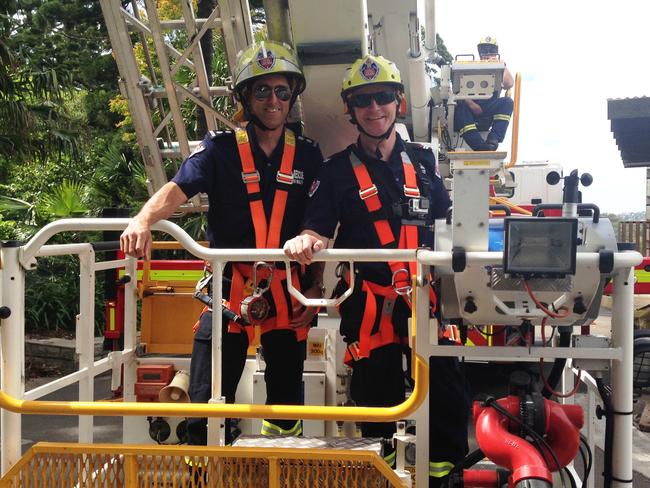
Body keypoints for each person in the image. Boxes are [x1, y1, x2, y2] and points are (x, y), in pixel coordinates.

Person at [120, 39, 324, 445]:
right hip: (228, 291)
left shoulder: (307, 155)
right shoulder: (220, 151)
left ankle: (275, 473)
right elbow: (178, 189)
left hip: (287, 292)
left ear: (292, 98)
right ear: (246, 98)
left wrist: (315, 287)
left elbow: (319, 222)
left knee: (286, 407)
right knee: (206, 404)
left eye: (282, 91)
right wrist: (143, 218)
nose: (273, 100)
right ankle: (206, 472)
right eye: (262, 91)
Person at [283, 54, 469, 487]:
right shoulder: (334, 173)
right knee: (374, 397)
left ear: (398, 103)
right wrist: (307, 240)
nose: (374, 108)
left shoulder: (424, 164)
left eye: (383, 97)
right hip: (370, 303)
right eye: (363, 100)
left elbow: (449, 222)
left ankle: (443, 475)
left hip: (425, 299)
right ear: (351, 110)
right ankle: (380, 473)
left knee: (447, 392)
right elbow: (317, 226)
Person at [454, 36, 514, 151]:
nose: (487, 53)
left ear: (496, 52)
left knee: (507, 102)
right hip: (470, 107)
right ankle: (479, 146)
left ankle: (493, 139)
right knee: (460, 108)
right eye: (484, 50)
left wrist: (502, 66)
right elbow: (457, 90)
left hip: (489, 108)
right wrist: (472, 104)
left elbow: (509, 84)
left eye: (491, 50)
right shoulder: (469, 66)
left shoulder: (499, 68)